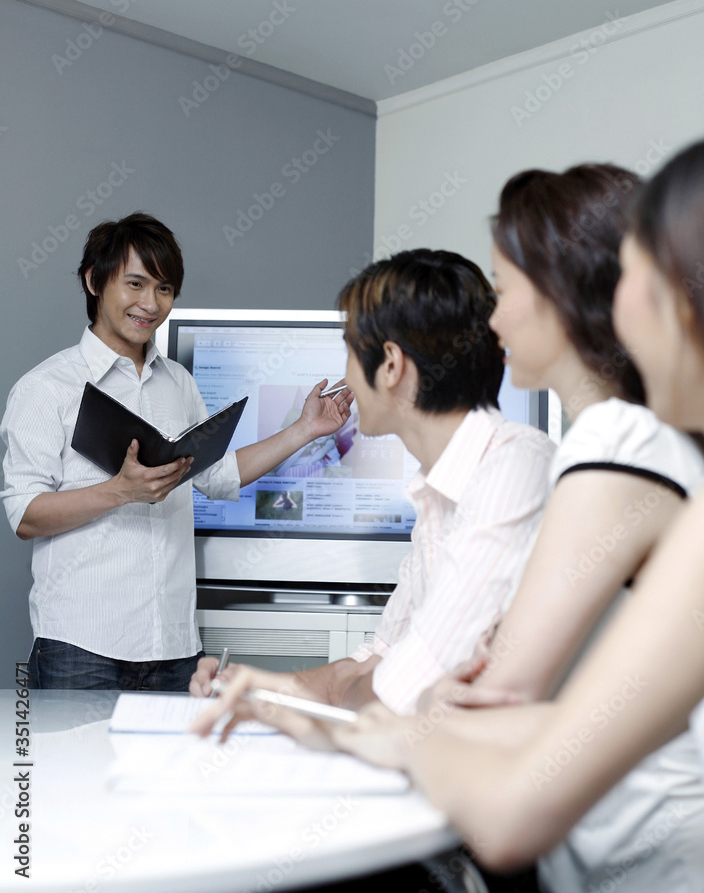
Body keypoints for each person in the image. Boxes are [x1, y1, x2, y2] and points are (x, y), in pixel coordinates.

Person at [257, 143, 704, 888]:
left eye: (503, 287)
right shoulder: (627, 453)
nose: (491, 318)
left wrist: (400, 728)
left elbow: (496, 701)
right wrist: (407, 711)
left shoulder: (612, 443)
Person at [190, 248, 555, 720]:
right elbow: (377, 660)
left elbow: (398, 694)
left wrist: (351, 688)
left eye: (348, 351)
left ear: (390, 365)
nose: (346, 374)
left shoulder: (513, 469)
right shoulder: (434, 495)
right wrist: (252, 685)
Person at [0, 212, 352, 691]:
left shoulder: (178, 383)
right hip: (80, 645)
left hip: (173, 646)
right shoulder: (45, 388)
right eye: (136, 284)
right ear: (94, 281)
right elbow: (24, 515)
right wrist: (120, 491)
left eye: (164, 289)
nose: (150, 304)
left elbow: (218, 477)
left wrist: (305, 430)